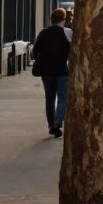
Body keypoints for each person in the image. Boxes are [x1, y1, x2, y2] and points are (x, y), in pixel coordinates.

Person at [32, 8, 70, 138]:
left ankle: (51, 124)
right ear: (63, 19)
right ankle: (59, 121)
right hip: (61, 71)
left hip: (46, 72)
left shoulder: (44, 32)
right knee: (63, 96)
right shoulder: (67, 32)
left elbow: (35, 51)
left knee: (50, 97)